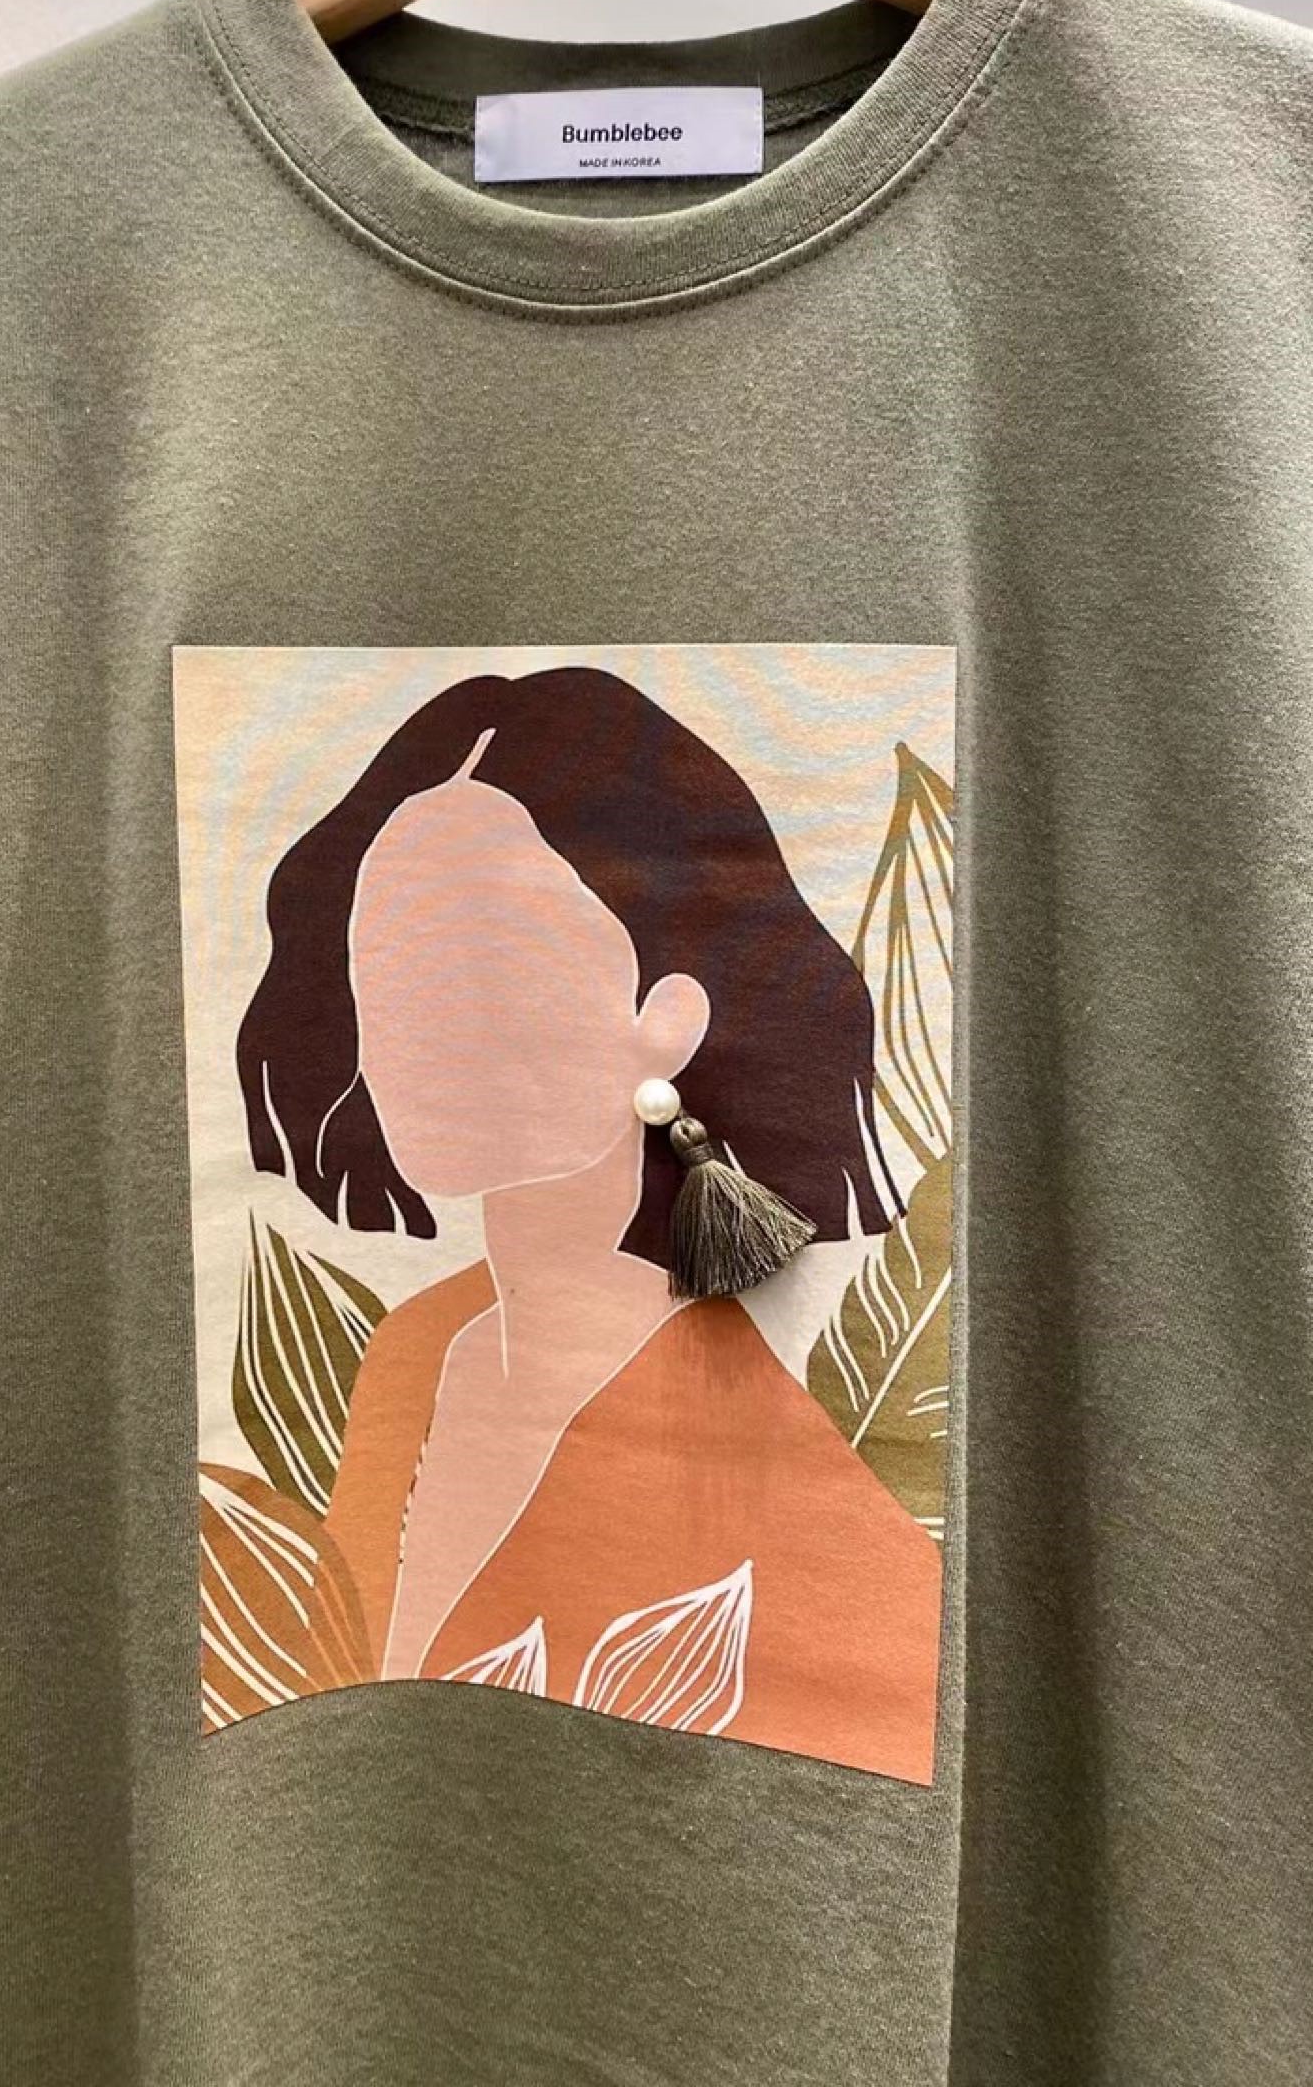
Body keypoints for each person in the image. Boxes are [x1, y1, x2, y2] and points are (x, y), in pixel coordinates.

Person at [234, 666, 943, 1781]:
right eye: (391, 954)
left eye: (490, 951)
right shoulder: (411, 1358)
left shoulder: (753, 1448)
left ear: (667, 1015)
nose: (423, 1013)